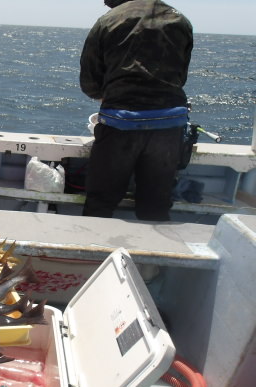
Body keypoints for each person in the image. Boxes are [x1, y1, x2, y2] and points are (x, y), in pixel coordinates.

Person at [79, 0, 193, 221]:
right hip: (168, 128)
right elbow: (181, 76)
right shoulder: (179, 20)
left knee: (100, 204)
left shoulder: (108, 21)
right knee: (156, 206)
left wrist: (109, 95)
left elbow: (90, 81)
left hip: (119, 126)